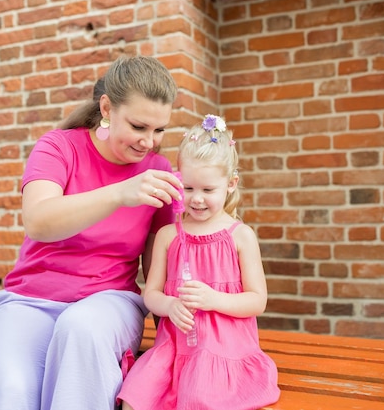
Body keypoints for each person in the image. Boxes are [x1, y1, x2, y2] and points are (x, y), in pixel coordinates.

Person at [0, 55, 182, 410]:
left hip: (109, 303)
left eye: (159, 130)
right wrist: (120, 193)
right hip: (31, 300)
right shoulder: (58, 147)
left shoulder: (158, 171)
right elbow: (39, 222)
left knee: (81, 328)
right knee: (13, 393)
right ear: (107, 108)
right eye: (138, 127)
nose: (149, 142)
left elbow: (159, 268)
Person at [117, 114, 281, 410]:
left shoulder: (240, 236)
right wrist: (168, 305)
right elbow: (150, 293)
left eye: (208, 190)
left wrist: (213, 298)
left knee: (198, 399)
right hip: (174, 349)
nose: (197, 199)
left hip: (222, 349)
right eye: (189, 188)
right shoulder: (169, 235)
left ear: (230, 184)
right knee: (133, 399)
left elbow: (258, 301)